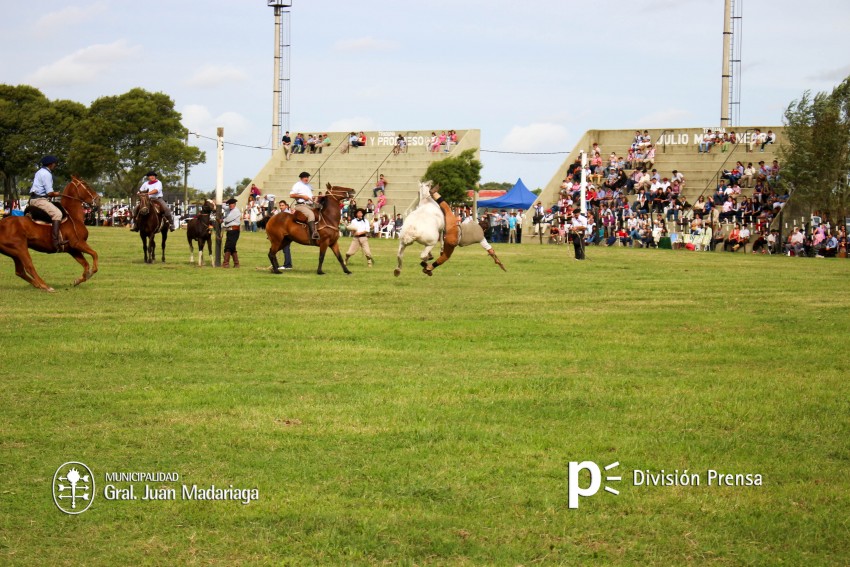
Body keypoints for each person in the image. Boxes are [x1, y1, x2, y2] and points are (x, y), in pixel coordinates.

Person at [28, 155, 67, 251]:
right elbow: (49, 193)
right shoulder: (47, 174)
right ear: (50, 164)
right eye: (55, 163)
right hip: (39, 200)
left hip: (34, 199)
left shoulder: (39, 172)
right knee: (57, 214)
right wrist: (56, 193)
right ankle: (55, 241)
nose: (55, 165)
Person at [290, 171, 319, 242]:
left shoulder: (308, 185)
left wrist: (313, 198)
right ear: (301, 178)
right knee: (311, 214)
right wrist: (302, 196)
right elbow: (291, 195)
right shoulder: (297, 185)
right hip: (301, 205)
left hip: (310, 205)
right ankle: (313, 233)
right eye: (305, 177)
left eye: (307, 177)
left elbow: (310, 195)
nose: (307, 178)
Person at [221, 198, 241, 268]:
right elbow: (223, 206)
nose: (230, 205)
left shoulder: (235, 211)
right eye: (229, 204)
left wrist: (222, 220)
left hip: (234, 231)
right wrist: (221, 201)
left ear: (234, 204)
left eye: (231, 204)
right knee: (232, 247)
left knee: (228, 246)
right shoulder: (230, 209)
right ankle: (236, 263)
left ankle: (226, 263)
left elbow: (228, 219)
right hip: (230, 231)